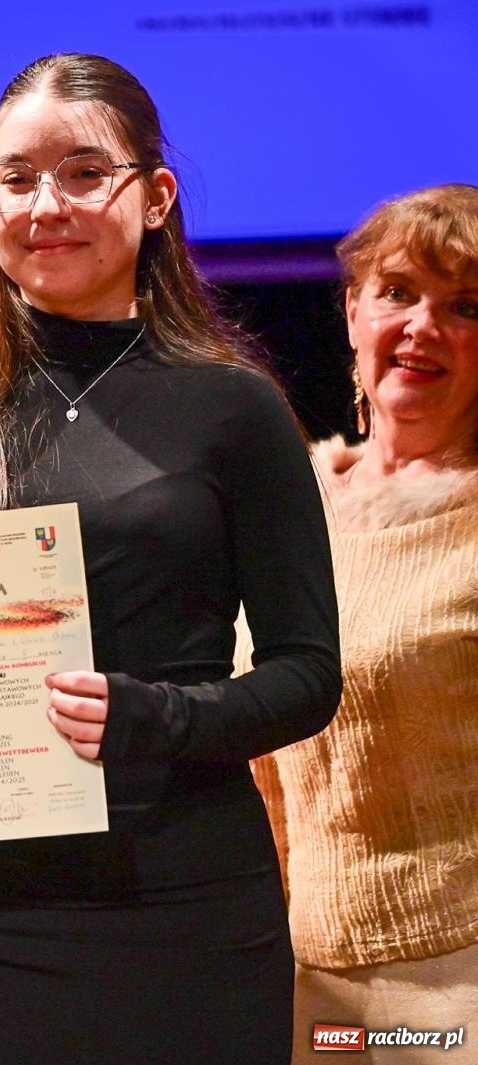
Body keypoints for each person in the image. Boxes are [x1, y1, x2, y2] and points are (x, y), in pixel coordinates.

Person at [0, 54, 341, 1064]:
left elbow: (306, 678)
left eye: (81, 172)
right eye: (15, 179)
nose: (44, 205)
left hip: (191, 916)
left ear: (154, 197)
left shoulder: (234, 408)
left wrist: (155, 716)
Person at [252, 184, 478, 1063]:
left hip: (453, 983)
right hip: (299, 984)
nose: (423, 325)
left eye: (464, 306)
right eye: (398, 292)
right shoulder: (285, 507)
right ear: (352, 312)